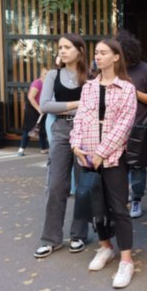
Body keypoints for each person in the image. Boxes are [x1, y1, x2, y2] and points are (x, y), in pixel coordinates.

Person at [70, 38, 137, 288]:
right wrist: (75, 144)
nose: (97, 57)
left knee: (118, 207)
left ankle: (126, 260)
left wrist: (102, 152)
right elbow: (79, 119)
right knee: (95, 205)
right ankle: (105, 246)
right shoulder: (88, 87)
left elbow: (124, 125)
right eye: (96, 53)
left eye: (103, 53)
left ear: (116, 57)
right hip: (86, 155)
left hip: (113, 156)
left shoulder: (126, 88)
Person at [34, 34, 90, 258]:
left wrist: (64, 106)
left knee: (83, 185)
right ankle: (51, 238)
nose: (63, 51)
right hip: (60, 130)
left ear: (80, 50)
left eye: (67, 47)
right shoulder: (53, 75)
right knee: (55, 184)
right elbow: (45, 105)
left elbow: (93, 107)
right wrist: (77, 104)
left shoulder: (90, 76)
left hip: (85, 131)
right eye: (60, 47)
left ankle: (79, 234)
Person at [116, 30, 147, 218]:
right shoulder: (113, 70)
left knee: (137, 166)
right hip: (116, 126)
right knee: (117, 165)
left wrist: (131, 91)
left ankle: (137, 199)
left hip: (139, 126)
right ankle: (121, 197)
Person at [18, 67, 50, 156]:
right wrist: (38, 109)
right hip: (32, 108)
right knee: (29, 129)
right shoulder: (37, 83)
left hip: (42, 108)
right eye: (45, 73)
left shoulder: (49, 84)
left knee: (42, 129)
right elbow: (31, 97)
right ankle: (21, 149)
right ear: (41, 74)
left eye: (48, 74)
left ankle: (44, 148)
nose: (47, 75)